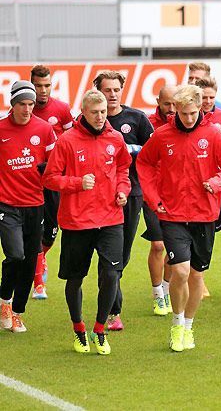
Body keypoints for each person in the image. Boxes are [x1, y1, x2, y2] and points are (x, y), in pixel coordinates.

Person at [137, 85, 221, 352]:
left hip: (204, 214)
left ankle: (189, 327)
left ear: (200, 109)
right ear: (176, 112)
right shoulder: (162, 136)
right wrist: (152, 197)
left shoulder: (214, 136)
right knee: (180, 270)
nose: (189, 118)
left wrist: (217, 182)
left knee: (196, 275)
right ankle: (177, 322)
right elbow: (144, 163)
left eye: (193, 113)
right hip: (172, 214)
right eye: (183, 113)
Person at [43, 89, 131, 355]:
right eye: (95, 112)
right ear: (84, 111)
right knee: (75, 278)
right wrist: (76, 183)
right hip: (77, 222)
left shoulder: (115, 139)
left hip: (110, 218)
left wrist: (122, 191)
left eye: (103, 112)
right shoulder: (67, 141)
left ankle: (100, 329)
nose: (100, 117)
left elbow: (124, 169)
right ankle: (79, 328)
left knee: (111, 274)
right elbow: (49, 179)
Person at [94, 71, 154, 330]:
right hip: (99, 199)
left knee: (122, 256)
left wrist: (132, 150)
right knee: (110, 256)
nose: (113, 94)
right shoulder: (89, 121)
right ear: (98, 91)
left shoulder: (137, 119)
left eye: (116, 89)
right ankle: (112, 311)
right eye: (107, 90)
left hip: (131, 195)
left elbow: (154, 155)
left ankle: (108, 298)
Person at [0, 81, 56, 332]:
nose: (27, 109)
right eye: (22, 104)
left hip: (36, 205)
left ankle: (18, 313)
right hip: (7, 205)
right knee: (15, 255)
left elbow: (55, 166)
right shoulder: (1, 129)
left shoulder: (44, 130)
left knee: (30, 259)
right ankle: (5, 301)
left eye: (31, 104)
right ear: (13, 104)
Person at [30, 65, 74, 300]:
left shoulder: (62, 109)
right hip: (30, 181)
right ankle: (38, 283)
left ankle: (42, 257)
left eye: (47, 85)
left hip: (55, 180)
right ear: (31, 84)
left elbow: (73, 139)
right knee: (35, 229)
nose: (43, 90)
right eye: (38, 86)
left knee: (51, 232)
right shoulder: (24, 108)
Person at [195, 76, 221, 298]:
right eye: (204, 97)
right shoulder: (189, 117)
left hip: (216, 184)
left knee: (209, 232)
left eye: (212, 97)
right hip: (193, 182)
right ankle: (197, 280)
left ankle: (199, 274)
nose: (208, 101)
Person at [145, 85, 176, 315]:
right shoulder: (147, 123)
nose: (172, 109)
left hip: (178, 194)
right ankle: (158, 295)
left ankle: (166, 289)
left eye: (176, 104)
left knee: (175, 247)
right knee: (158, 245)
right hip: (153, 193)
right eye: (167, 104)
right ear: (158, 101)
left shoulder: (184, 122)